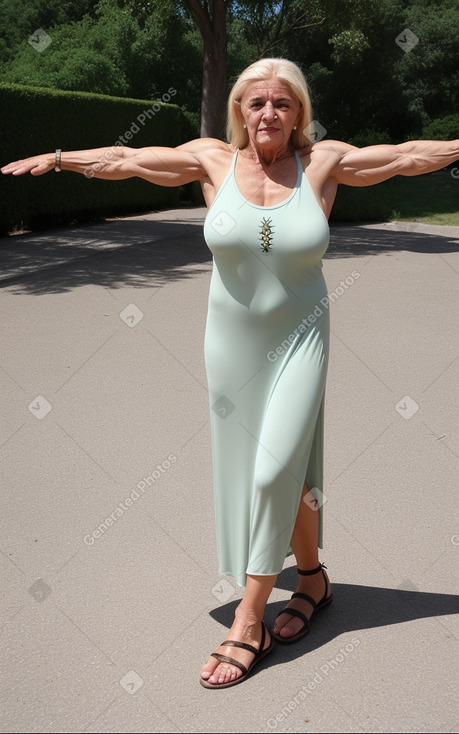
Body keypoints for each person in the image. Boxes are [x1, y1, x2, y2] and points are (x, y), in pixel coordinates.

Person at [2, 58, 459, 690]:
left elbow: (408, 155)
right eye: (256, 102)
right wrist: (59, 157)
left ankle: (249, 621)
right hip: (232, 345)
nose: (268, 113)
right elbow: (126, 159)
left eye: (282, 102)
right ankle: (314, 581)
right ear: (239, 110)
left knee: (274, 467)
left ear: (298, 110)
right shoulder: (212, 160)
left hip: (301, 337)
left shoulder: (323, 163)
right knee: (281, 470)